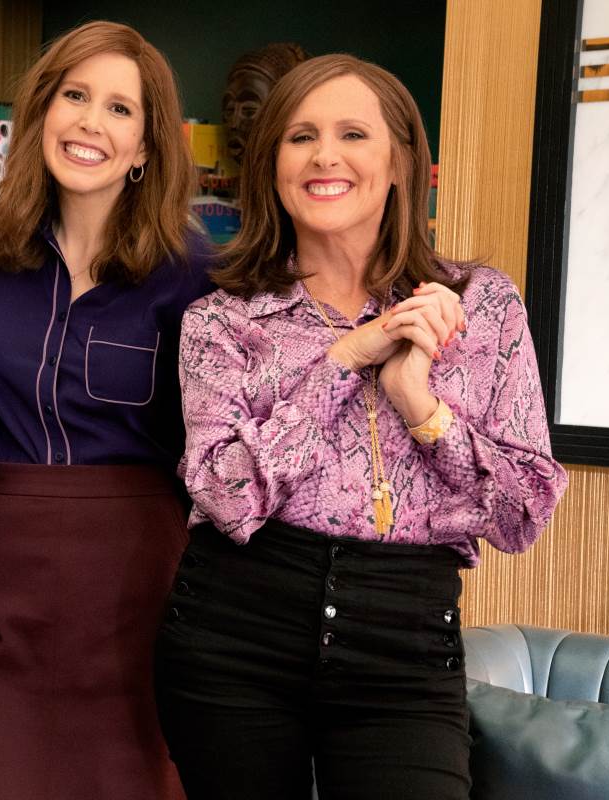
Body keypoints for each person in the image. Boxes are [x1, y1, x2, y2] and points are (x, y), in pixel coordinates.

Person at [155, 54, 568, 799]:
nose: (325, 156)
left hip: (405, 644)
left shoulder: (483, 306)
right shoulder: (221, 320)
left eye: (353, 134)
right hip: (234, 638)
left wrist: (418, 401)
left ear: (403, 161)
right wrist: (345, 359)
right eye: (300, 137)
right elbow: (224, 497)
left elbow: (522, 513)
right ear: (271, 165)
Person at [0, 20, 213, 800]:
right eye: (74, 96)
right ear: (42, 112)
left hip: (138, 592)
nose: (90, 122)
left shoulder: (198, 276)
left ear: (146, 146)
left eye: (120, 109)